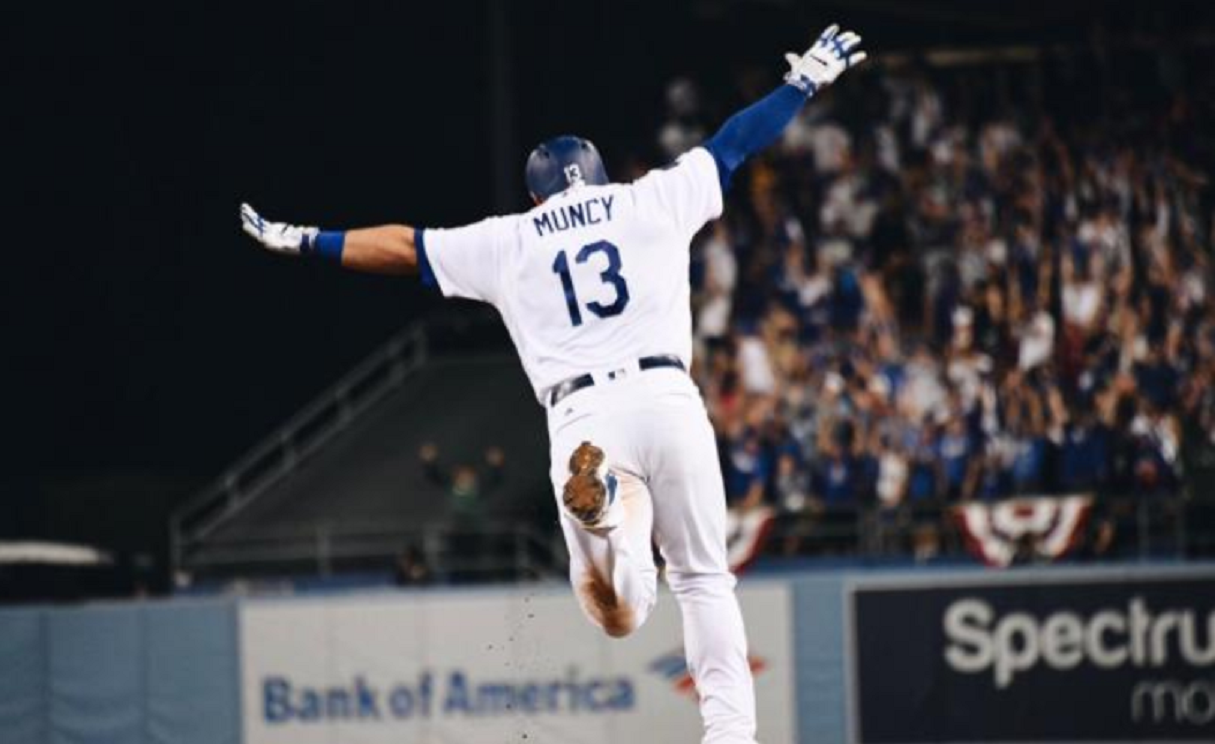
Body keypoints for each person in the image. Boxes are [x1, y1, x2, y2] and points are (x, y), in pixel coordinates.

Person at [240, 24, 865, 744]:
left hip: (583, 414)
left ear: (538, 197)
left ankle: (603, 524)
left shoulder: (511, 240)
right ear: (597, 177)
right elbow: (734, 141)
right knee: (700, 579)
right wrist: (803, 81)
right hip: (666, 397)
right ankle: (729, 737)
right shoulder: (651, 200)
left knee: (616, 612)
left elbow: (403, 247)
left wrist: (306, 240)